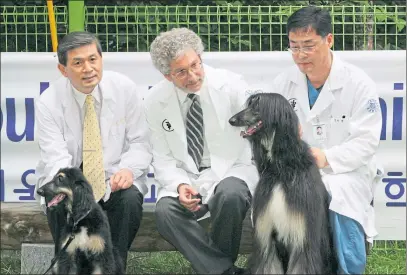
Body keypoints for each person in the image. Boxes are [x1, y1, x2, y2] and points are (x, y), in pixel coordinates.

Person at [269, 6, 383, 274]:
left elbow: (366, 142)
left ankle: (347, 269)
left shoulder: (359, 84)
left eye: (308, 46)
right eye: (294, 47)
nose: (300, 55)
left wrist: (326, 157)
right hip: (296, 172)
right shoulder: (282, 83)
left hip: (346, 171)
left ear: (329, 40)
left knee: (340, 197)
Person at [144, 27, 259, 274]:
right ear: (167, 76)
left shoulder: (231, 84)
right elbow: (162, 157)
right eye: (181, 72)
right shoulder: (154, 100)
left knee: (230, 195)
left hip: (231, 169)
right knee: (165, 213)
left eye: (196, 65)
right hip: (188, 175)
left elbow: (257, 111)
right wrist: (179, 185)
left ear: (200, 57)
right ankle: (225, 271)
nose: (193, 75)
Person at [34, 31, 152, 269]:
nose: (88, 68)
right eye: (77, 63)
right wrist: (80, 192)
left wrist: (128, 170)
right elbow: (56, 158)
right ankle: (67, 265)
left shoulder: (125, 89)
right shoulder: (48, 102)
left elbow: (141, 142)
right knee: (57, 200)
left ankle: (113, 268)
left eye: (92, 59)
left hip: (113, 181)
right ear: (63, 70)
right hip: (73, 184)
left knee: (129, 198)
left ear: (101, 60)